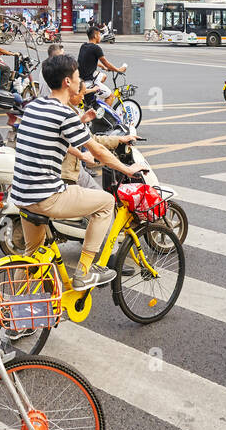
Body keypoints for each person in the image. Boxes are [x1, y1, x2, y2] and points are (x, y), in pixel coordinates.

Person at [11, 53, 138, 290]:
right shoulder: (64, 112)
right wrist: (127, 169)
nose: (81, 79)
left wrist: (79, 121)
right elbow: (97, 151)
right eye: (78, 75)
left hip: (21, 196)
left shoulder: (34, 106)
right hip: (46, 196)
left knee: (32, 258)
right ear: (67, 81)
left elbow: (54, 135)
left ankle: (15, 308)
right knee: (106, 203)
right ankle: (84, 272)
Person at [77, 24, 126, 108]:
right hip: (89, 81)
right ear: (95, 35)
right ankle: (101, 117)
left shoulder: (84, 46)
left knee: (103, 76)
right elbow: (106, 63)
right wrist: (118, 70)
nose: (100, 36)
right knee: (111, 96)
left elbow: (88, 61)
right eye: (99, 34)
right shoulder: (96, 48)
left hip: (81, 78)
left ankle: (94, 98)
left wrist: (102, 67)